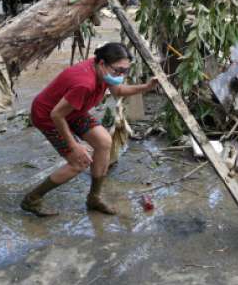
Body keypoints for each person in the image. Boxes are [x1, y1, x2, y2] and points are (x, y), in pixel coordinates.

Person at [22, 42, 156, 217]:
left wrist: (146, 87)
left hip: (74, 111)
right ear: (102, 64)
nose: (121, 75)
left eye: (125, 71)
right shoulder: (84, 84)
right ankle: (32, 200)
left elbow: (119, 90)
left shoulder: (105, 72)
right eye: (118, 70)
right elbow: (57, 115)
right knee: (79, 162)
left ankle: (94, 198)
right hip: (49, 117)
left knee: (104, 142)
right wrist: (75, 146)